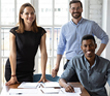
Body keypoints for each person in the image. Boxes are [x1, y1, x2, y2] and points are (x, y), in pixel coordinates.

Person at [52, 0, 109, 82]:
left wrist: (97, 55)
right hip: (70, 64)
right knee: (70, 90)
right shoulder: (65, 28)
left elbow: (105, 37)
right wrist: (57, 66)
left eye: (78, 8)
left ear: (82, 9)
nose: (75, 10)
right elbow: (60, 48)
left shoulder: (91, 25)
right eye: (73, 8)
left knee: (87, 91)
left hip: (87, 64)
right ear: (69, 10)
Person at [5, 3, 47, 86]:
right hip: (13, 70)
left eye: (32, 13)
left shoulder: (41, 32)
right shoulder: (14, 32)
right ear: (21, 15)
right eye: (27, 13)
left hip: (28, 71)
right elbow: (12, 54)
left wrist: (43, 74)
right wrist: (13, 75)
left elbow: (43, 54)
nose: (30, 15)